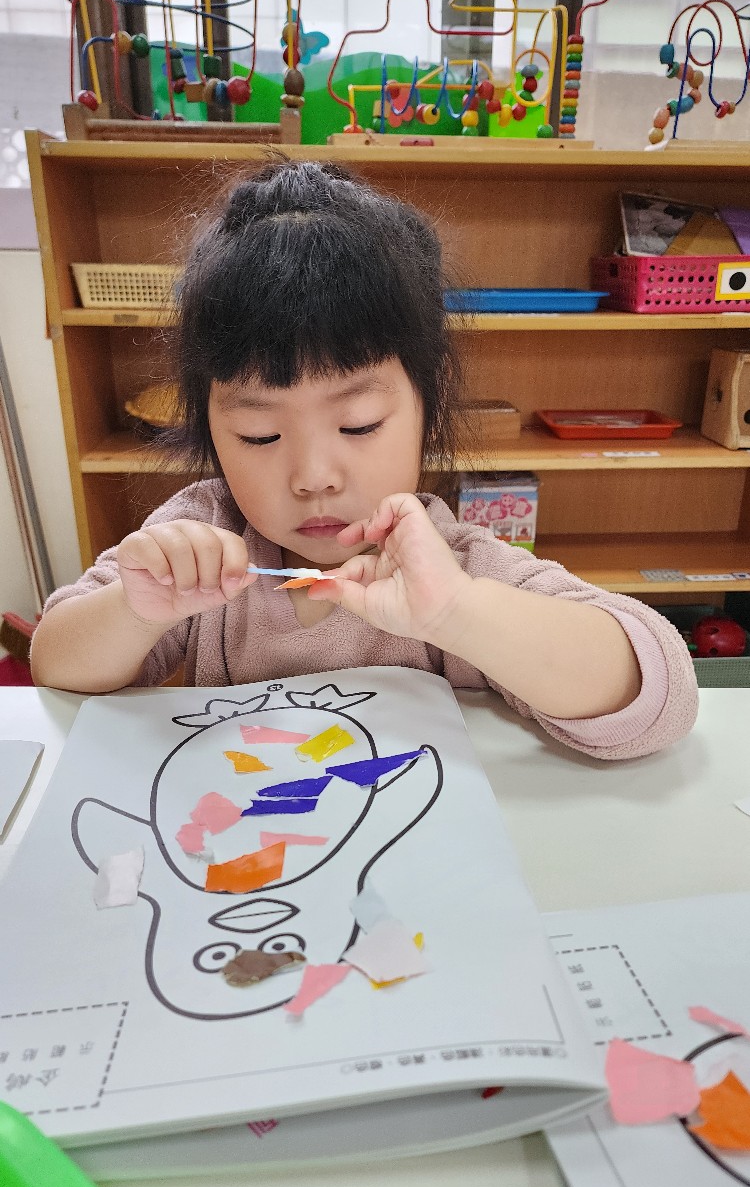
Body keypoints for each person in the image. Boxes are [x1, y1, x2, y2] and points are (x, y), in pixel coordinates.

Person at [31, 160, 698, 760]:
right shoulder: (206, 533)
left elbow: (659, 698)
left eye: (359, 424)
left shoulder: (450, 562)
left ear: (428, 405)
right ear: (207, 425)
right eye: (259, 434)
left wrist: (459, 613)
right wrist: (137, 609)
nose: (314, 477)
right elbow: (55, 667)